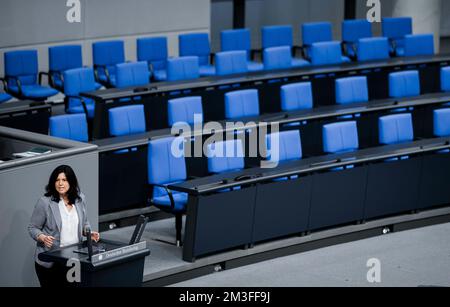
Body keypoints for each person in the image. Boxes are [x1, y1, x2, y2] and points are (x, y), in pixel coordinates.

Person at [28, 165, 100, 287]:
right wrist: (42, 237)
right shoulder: (45, 202)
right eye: (57, 180)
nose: (60, 183)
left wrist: (88, 232)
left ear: (71, 182)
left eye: (64, 180)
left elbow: (85, 222)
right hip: (51, 261)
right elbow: (32, 228)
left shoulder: (80, 199)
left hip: (74, 260)